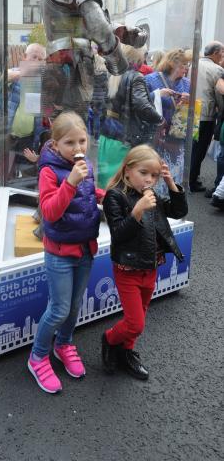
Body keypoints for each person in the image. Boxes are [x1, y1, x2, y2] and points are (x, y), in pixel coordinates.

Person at [40, 0, 147, 124]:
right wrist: (118, 61)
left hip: (57, 60)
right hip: (74, 61)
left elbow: (76, 24)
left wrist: (124, 32)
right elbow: (97, 25)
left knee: (58, 124)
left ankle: (54, 156)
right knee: (74, 125)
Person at [27, 111, 100, 394]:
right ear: (55, 145)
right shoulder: (49, 171)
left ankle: (64, 344)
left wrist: (114, 194)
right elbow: (49, 212)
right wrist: (69, 183)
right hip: (59, 252)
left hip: (85, 248)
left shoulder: (86, 166)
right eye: (70, 143)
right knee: (58, 309)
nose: (78, 148)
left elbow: (91, 193)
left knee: (73, 306)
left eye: (82, 141)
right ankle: (38, 356)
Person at [102, 145, 188, 380]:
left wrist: (171, 185)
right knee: (135, 323)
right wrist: (137, 212)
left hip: (150, 266)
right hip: (127, 269)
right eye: (144, 173)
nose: (149, 180)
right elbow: (118, 235)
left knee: (141, 313)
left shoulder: (151, 195)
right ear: (128, 170)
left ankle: (126, 351)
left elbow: (178, 211)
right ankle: (109, 339)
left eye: (154, 175)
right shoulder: (115, 195)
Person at [97, 44, 164, 189]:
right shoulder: (135, 76)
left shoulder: (109, 73)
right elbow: (142, 106)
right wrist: (160, 119)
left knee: (104, 182)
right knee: (119, 185)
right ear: (138, 56)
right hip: (124, 140)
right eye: (144, 54)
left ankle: (103, 210)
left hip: (106, 137)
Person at [145, 48, 191, 196]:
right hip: (156, 136)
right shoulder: (151, 79)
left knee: (175, 174)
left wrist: (189, 100)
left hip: (177, 137)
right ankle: (154, 202)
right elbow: (142, 103)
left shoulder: (187, 83)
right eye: (183, 65)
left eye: (187, 65)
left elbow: (194, 109)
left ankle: (173, 203)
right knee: (155, 171)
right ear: (172, 64)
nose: (186, 68)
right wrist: (157, 94)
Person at [7, 43, 46, 181]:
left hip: (29, 138)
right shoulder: (15, 73)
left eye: (41, 59)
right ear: (24, 57)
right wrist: (22, 73)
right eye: (33, 57)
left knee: (28, 177)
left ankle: (26, 199)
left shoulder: (44, 80)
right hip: (9, 137)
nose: (37, 61)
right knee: (6, 174)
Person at [189, 41, 224, 192]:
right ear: (215, 53)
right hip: (206, 115)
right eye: (222, 52)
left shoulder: (193, 64)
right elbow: (219, 94)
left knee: (191, 147)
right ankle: (192, 180)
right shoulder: (216, 69)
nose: (222, 56)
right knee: (200, 149)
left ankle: (189, 177)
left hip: (191, 113)